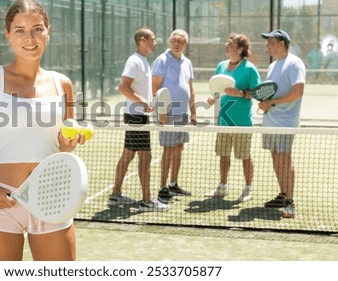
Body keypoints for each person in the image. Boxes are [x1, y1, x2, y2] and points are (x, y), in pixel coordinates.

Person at [0, 0, 85, 260]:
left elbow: (63, 145)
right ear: (8, 35)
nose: (30, 38)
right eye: (20, 30)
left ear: (49, 31)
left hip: (53, 200)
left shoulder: (63, 84)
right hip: (1, 202)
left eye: (38, 29)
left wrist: (69, 143)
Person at [107, 27, 168, 212]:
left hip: (138, 115)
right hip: (136, 116)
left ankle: (115, 195)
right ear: (143, 39)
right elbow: (123, 87)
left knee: (128, 154)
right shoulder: (134, 61)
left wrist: (150, 101)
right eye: (153, 39)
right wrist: (142, 102)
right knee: (145, 157)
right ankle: (147, 201)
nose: (155, 42)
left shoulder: (143, 61)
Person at [204, 33, 261, 202]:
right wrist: (213, 98)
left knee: (244, 156)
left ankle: (248, 188)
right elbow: (218, 89)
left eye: (231, 43)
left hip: (242, 123)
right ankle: (222, 186)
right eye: (227, 42)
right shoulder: (221, 66)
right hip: (223, 121)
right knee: (223, 155)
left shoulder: (249, 68)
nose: (227, 45)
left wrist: (240, 93)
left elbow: (258, 93)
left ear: (240, 49)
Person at [259, 29, 306, 219]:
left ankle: (290, 202)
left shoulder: (294, 63)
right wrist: (264, 102)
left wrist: (272, 102)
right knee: (276, 157)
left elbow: (298, 91)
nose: (266, 46)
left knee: (284, 159)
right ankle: (283, 194)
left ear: (281, 43)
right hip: (270, 120)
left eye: (270, 42)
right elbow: (271, 93)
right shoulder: (273, 66)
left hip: (285, 122)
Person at [151, 29, 197, 204]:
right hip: (167, 115)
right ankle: (163, 188)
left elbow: (190, 89)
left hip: (183, 114)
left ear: (186, 44)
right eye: (174, 40)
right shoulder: (162, 60)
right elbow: (154, 89)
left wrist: (193, 112)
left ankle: (173, 184)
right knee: (168, 150)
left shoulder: (187, 63)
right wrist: (162, 112)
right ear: (169, 42)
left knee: (178, 148)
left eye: (181, 41)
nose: (177, 44)